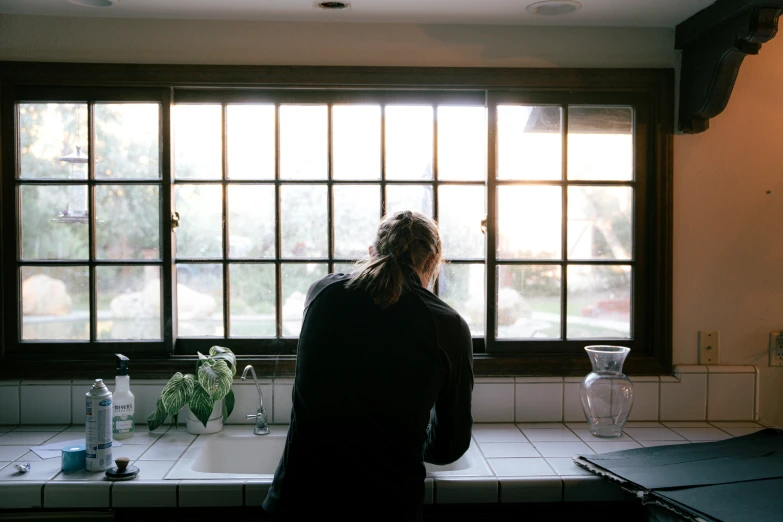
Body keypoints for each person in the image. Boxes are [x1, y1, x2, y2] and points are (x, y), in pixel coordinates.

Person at [262, 210, 474, 521]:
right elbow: (450, 445)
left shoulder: (323, 293)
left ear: (372, 251)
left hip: (299, 503)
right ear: (433, 261)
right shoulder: (449, 326)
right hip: (385, 510)